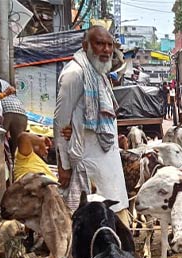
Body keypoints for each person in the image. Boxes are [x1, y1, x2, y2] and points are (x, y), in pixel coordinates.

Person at [53, 25, 130, 226]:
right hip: (88, 164)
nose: (106, 50)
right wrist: (64, 166)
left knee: (116, 219)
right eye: (99, 44)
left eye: (109, 45)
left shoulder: (100, 74)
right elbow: (60, 123)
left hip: (108, 162)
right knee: (90, 224)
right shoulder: (75, 74)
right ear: (85, 45)